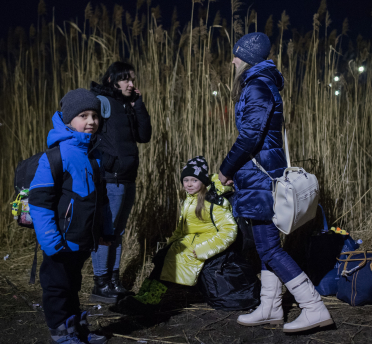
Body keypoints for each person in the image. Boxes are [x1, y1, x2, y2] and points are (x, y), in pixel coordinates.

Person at [218, 32, 333, 333]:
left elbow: (250, 136)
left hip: (260, 176)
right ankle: (270, 306)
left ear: (249, 58)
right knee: (265, 244)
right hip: (261, 174)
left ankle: (313, 306)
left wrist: (225, 168)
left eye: (237, 55)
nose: (233, 60)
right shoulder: (262, 83)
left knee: (269, 248)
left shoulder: (256, 86)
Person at [28, 89, 113, 344]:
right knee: (56, 288)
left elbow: (102, 200)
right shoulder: (55, 156)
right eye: (83, 115)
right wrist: (51, 241)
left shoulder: (95, 157)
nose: (91, 121)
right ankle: (61, 333)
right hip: (59, 241)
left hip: (81, 240)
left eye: (95, 116)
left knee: (72, 286)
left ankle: (76, 327)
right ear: (68, 120)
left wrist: (105, 231)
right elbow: (39, 201)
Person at [120, 156, 238, 307]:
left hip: (202, 244)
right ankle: (145, 294)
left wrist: (203, 249)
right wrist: (170, 245)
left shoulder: (213, 201)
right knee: (162, 257)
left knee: (172, 260)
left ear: (203, 181)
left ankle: (151, 300)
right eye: (186, 180)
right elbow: (182, 229)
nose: (189, 184)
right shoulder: (189, 199)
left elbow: (229, 230)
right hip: (189, 240)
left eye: (194, 180)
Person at [88, 61, 152, 303]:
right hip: (110, 178)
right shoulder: (101, 102)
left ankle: (114, 281)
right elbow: (87, 134)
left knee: (118, 232)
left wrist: (138, 105)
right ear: (112, 80)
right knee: (106, 232)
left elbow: (144, 136)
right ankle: (100, 283)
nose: (131, 84)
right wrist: (106, 163)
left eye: (132, 79)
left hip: (127, 178)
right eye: (126, 79)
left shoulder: (127, 105)